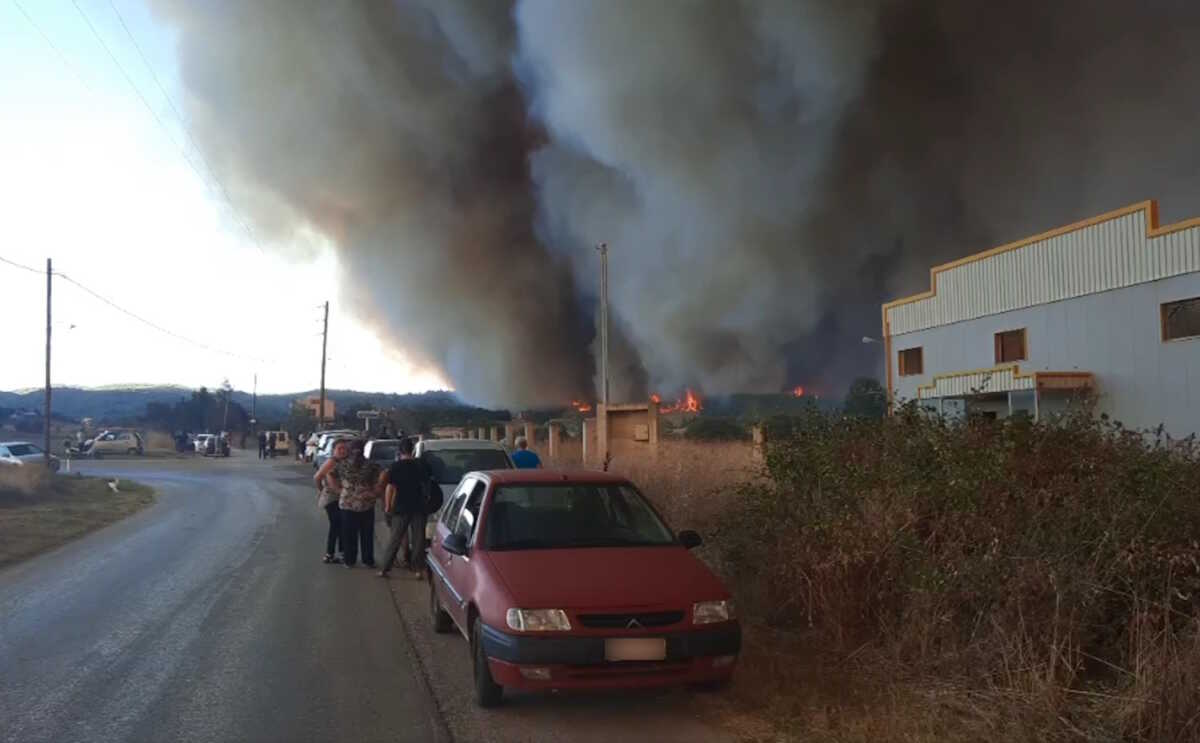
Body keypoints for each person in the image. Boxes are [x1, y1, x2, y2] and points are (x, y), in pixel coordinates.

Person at [377, 437, 436, 578]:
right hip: (420, 506)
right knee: (419, 539)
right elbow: (428, 483)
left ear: (399, 451)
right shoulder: (422, 464)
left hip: (401, 506)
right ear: (413, 449)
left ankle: (385, 568)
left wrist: (387, 505)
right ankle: (417, 569)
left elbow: (390, 487)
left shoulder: (395, 466)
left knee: (395, 537)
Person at [336, 439, 382, 568]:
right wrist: (373, 492)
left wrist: (341, 490)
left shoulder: (342, 464)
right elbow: (379, 481)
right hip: (366, 503)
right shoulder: (372, 465)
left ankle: (349, 560)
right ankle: (368, 560)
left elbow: (331, 476)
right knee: (367, 534)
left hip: (347, 503)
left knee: (348, 534)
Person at [313, 438, 349, 563]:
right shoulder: (331, 462)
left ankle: (341, 552)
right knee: (336, 525)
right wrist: (322, 489)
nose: (343, 451)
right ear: (333, 450)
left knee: (341, 525)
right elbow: (317, 477)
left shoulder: (345, 462)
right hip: (331, 499)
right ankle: (330, 553)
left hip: (342, 497)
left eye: (345, 448)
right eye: (339, 448)